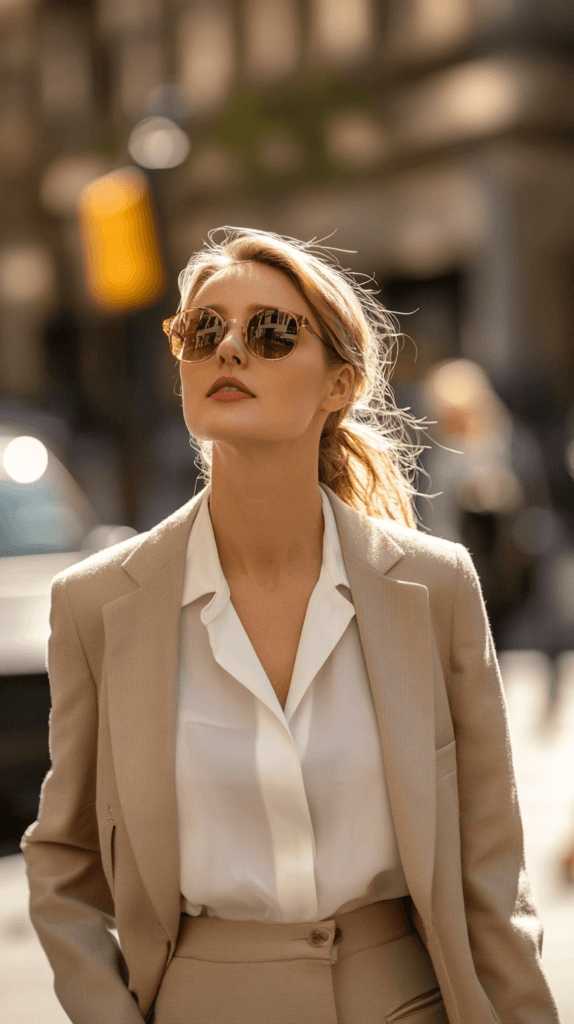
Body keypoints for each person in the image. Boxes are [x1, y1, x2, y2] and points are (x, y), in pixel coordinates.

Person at [21, 228, 560, 1024]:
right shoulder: (96, 604)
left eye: (271, 333)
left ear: (339, 385)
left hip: (405, 1004)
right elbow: (63, 864)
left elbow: (490, 879)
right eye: (204, 331)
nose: (230, 348)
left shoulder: (434, 587)